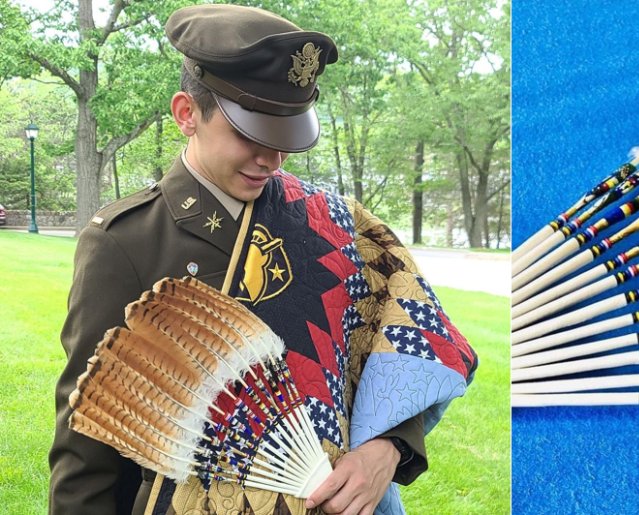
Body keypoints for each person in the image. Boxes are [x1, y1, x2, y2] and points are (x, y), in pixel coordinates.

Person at [49, 5, 475, 515]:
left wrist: (389, 449)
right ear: (187, 113)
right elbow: (88, 447)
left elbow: (411, 347)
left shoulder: (337, 223)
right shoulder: (124, 242)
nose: (272, 159)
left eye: (284, 134)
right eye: (250, 134)